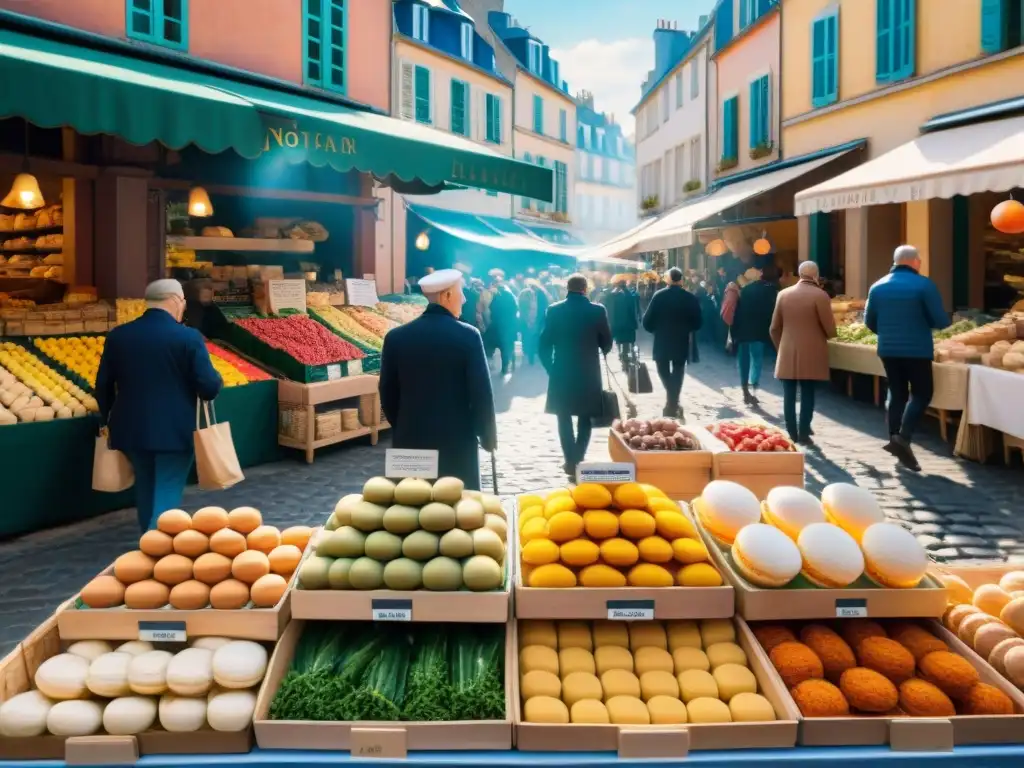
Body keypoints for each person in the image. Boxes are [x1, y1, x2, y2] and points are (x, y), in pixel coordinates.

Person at [95, 279, 223, 531]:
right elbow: (208, 387)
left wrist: (106, 419)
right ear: (176, 300)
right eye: (184, 303)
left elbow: (103, 386)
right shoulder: (188, 337)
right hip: (174, 431)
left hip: (129, 428)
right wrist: (215, 380)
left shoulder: (119, 335)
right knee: (166, 491)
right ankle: (156, 553)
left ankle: (148, 542)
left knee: (146, 487)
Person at [379, 269, 497, 489]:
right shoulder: (468, 335)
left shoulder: (395, 338)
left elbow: (387, 393)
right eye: (460, 292)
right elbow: (481, 394)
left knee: (409, 507)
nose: (463, 299)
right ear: (447, 296)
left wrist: (404, 426)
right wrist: (488, 437)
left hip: (410, 441)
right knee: (457, 510)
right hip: (456, 442)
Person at [866, 245, 949, 471]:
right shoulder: (924, 285)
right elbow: (940, 320)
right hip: (917, 349)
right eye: (919, 259)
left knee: (897, 392)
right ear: (914, 262)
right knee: (922, 393)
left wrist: (888, 333)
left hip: (888, 349)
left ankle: (895, 438)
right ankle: (903, 437)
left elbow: (869, 322)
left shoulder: (877, 286)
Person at [539, 273, 613, 478]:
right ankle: (577, 458)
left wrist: (550, 367)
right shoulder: (597, 310)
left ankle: (569, 459)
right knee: (585, 416)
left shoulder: (554, 310)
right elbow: (606, 343)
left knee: (563, 417)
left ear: (566, 288)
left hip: (562, 370)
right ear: (585, 288)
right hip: (588, 371)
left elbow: (543, 344)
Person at [770, 262, 836, 444]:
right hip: (812, 352)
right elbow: (830, 330)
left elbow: (774, 328)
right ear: (816, 275)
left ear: (799, 274)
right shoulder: (821, 295)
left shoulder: (783, 294)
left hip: (787, 351)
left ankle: (791, 431)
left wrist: (780, 348)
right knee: (808, 392)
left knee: (788, 394)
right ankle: (804, 431)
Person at [641, 267, 703, 419]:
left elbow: (647, 321)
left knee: (662, 369)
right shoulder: (689, 297)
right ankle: (673, 402)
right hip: (681, 339)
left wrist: (654, 330)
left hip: (662, 338)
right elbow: (698, 322)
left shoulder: (659, 296)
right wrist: (689, 329)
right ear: (681, 279)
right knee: (678, 370)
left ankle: (671, 403)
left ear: (668, 279)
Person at [732, 266, 779, 405]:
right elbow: (772, 311)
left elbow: (737, 312)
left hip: (743, 331)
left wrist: (734, 332)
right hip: (759, 331)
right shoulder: (769, 290)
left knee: (743, 360)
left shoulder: (744, 291)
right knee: (756, 358)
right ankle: (754, 386)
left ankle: (745, 389)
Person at [488, 277, 519, 375]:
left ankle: (504, 368)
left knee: (501, 346)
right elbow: (515, 308)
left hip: (498, 325)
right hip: (510, 324)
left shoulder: (496, 297)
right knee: (509, 346)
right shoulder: (510, 295)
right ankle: (510, 365)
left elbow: (492, 309)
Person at [517, 279, 549, 365]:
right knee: (535, 336)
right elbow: (544, 306)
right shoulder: (541, 293)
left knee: (527, 335)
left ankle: (527, 351)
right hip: (538, 318)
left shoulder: (524, 293)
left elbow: (520, 307)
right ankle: (534, 352)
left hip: (526, 319)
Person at [607, 280, 640, 365]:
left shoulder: (613, 295)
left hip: (617, 323)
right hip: (629, 323)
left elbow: (610, 309)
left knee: (619, 340)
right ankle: (629, 356)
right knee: (629, 341)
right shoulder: (631, 295)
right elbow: (634, 309)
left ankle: (623, 355)